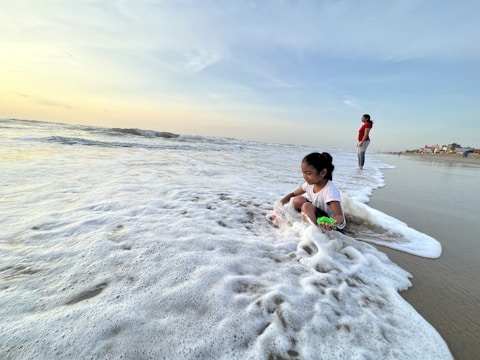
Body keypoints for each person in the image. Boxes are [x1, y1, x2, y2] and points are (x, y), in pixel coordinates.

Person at [280, 152, 346, 231]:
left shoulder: (330, 190)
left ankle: (311, 232)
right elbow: (293, 194)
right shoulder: (309, 184)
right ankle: (309, 223)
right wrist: (279, 206)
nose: (305, 177)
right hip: (319, 215)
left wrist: (331, 223)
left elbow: (339, 216)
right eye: (303, 173)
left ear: (323, 173)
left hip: (331, 224)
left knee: (306, 206)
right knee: (297, 200)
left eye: (308, 173)